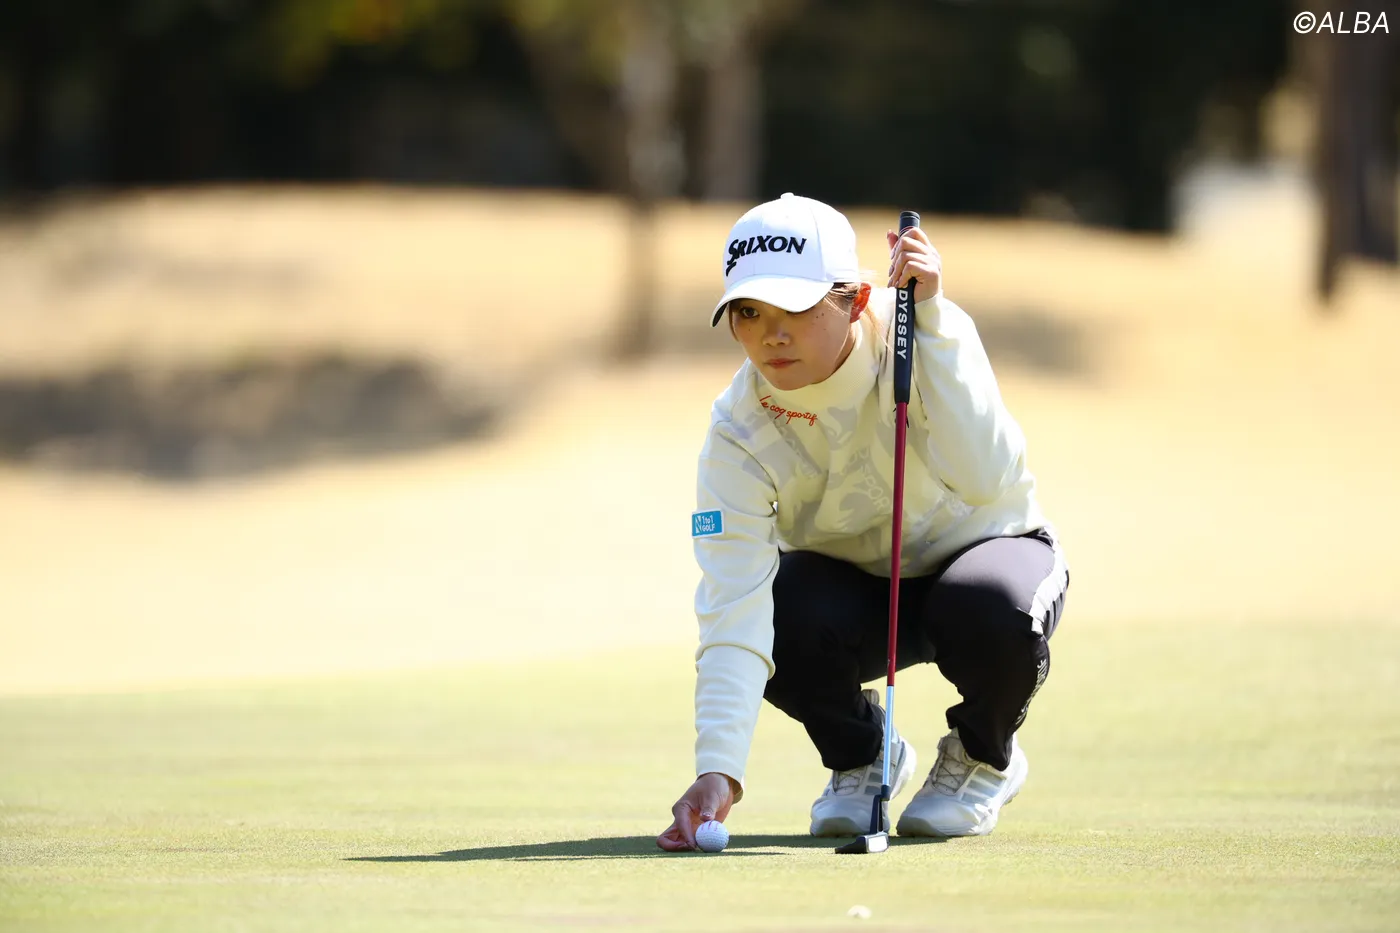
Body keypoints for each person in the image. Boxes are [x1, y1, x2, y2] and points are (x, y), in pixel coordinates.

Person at [656, 194, 1069, 852]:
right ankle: (864, 754)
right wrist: (719, 772)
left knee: (989, 607)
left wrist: (932, 320)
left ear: (854, 301)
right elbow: (733, 604)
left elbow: (986, 479)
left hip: (989, 559)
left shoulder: (928, 333)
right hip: (860, 596)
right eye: (749, 312)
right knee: (775, 611)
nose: (771, 334)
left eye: (795, 308)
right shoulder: (738, 429)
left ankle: (982, 756)